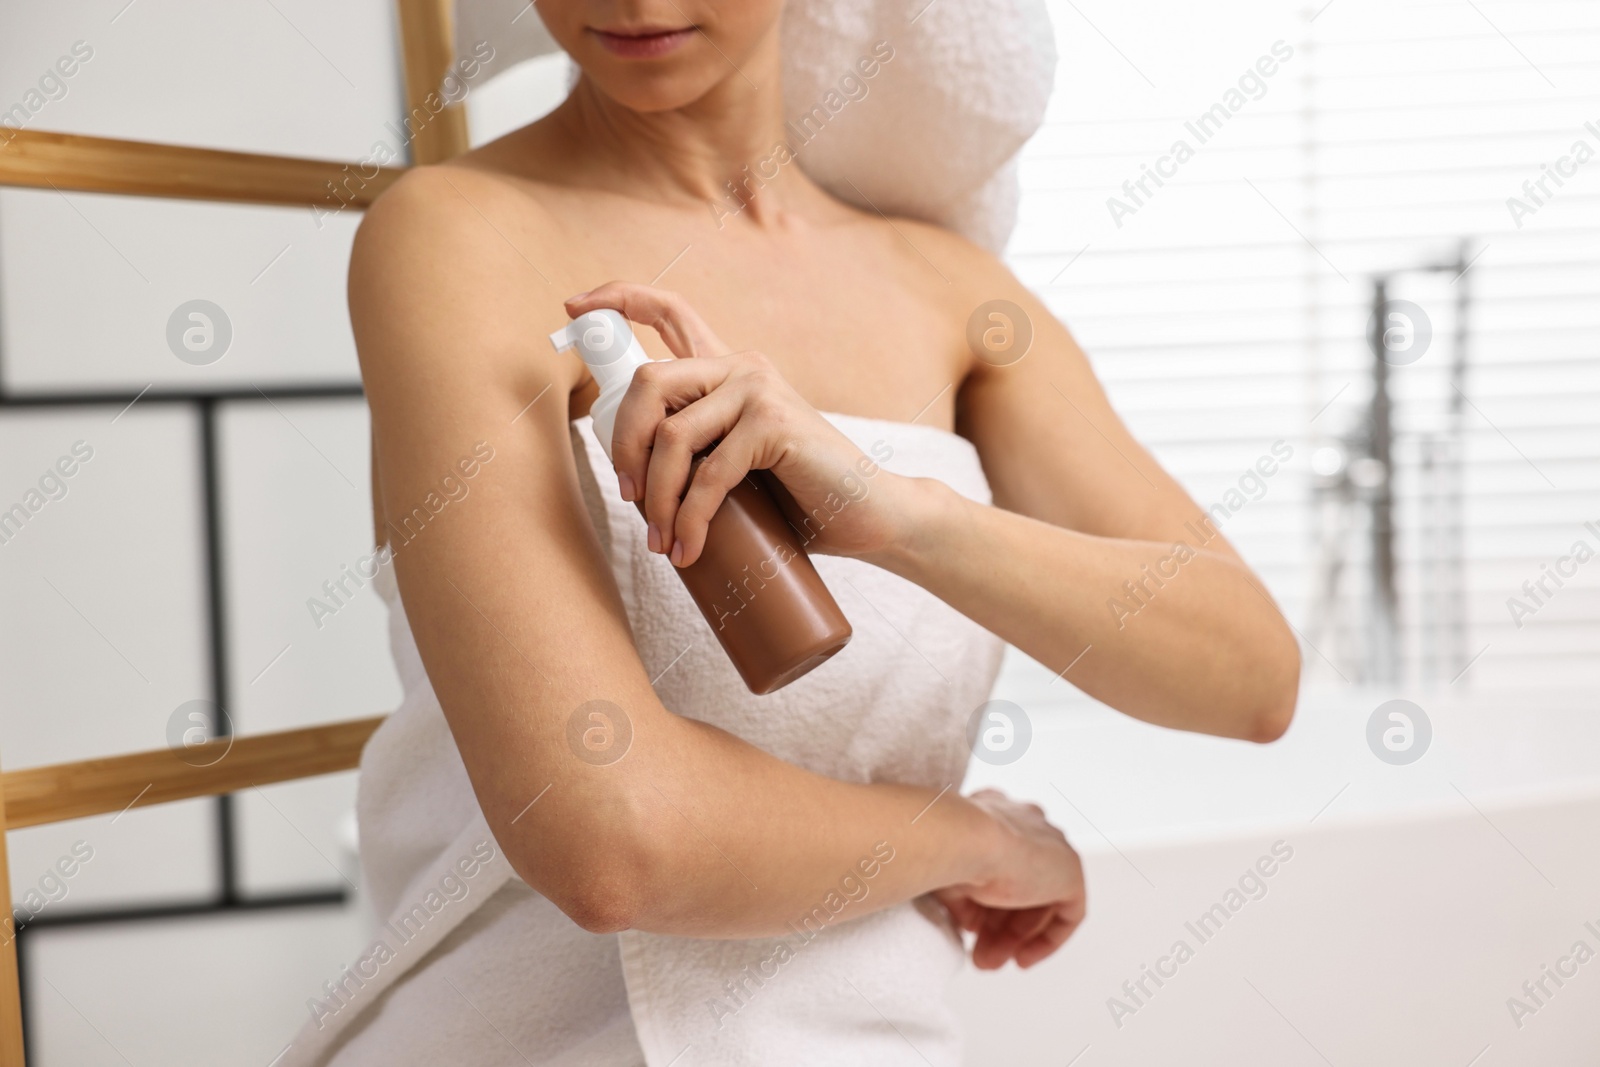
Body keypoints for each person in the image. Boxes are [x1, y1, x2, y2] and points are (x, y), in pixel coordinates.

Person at [304, 2, 1300, 1063]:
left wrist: (898, 514)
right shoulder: (460, 233)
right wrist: (973, 836)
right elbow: (614, 844)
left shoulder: (950, 292)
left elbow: (1247, 674)